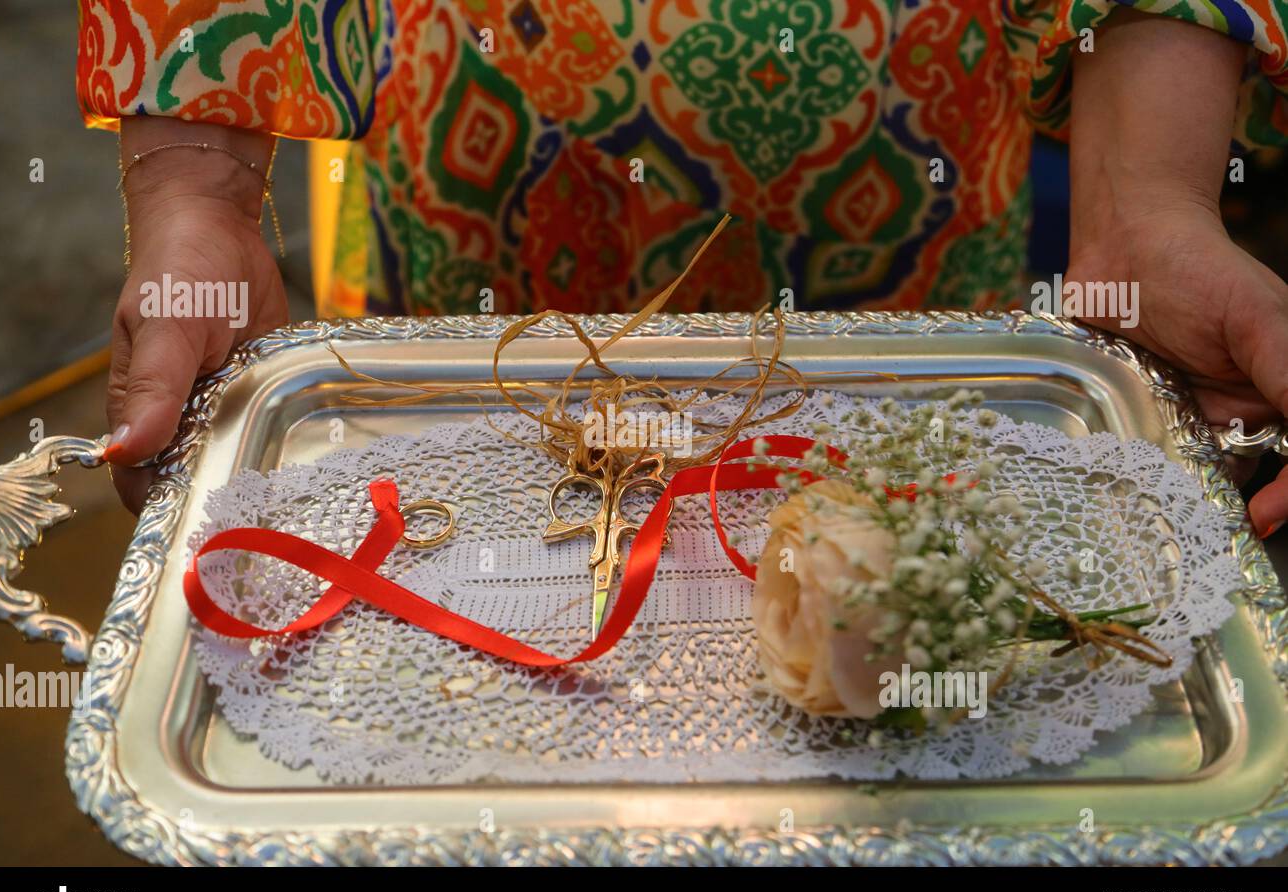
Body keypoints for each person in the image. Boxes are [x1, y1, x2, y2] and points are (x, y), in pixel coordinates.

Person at [79, 1, 1288, 536]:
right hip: (481, 176)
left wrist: (1145, 199)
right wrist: (200, 185)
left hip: (896, 197)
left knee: (890, 611)